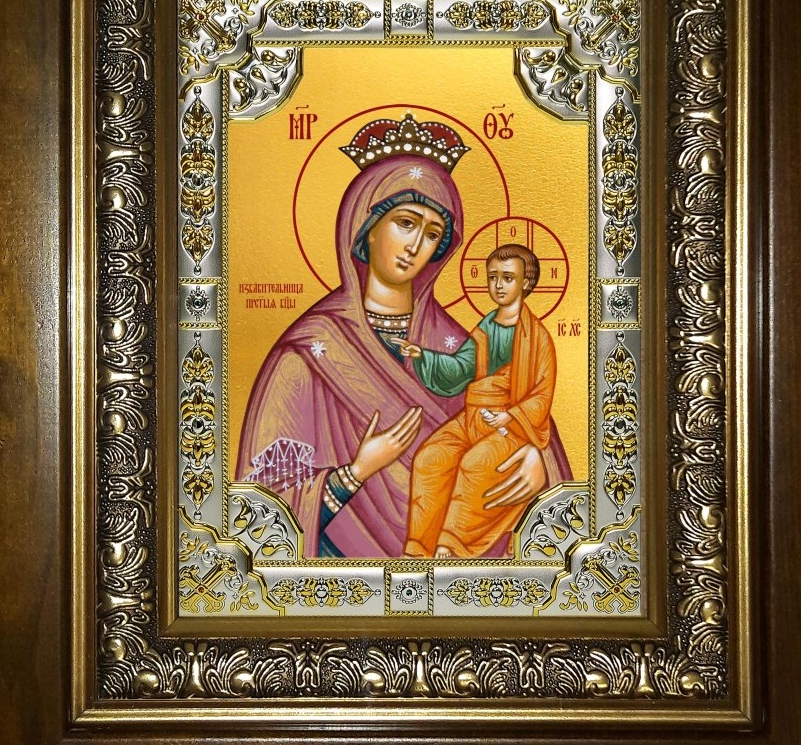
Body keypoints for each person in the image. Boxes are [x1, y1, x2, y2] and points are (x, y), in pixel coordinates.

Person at [235, 115, 570, 558]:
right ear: (366, 226)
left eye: (433, 234)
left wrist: (536, 462)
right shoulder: (308, 353)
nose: (416, 245)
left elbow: (528, 410)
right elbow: (259, 519)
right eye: (405, 223)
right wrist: (356, 472)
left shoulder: (463, 342)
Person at [394, 244, 564, 559]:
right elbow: (462, 368)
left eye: (507, 278)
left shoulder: (537, 338)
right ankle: (419, 548)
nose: (498, 285)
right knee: (430, 458)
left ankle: (451, 545)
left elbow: (542, 392)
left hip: (511, 426)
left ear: (526, 282)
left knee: (475, 464)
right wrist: (424, 356)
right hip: (473, 417)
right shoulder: (485, 328)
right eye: (492, 277)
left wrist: (510, 416)